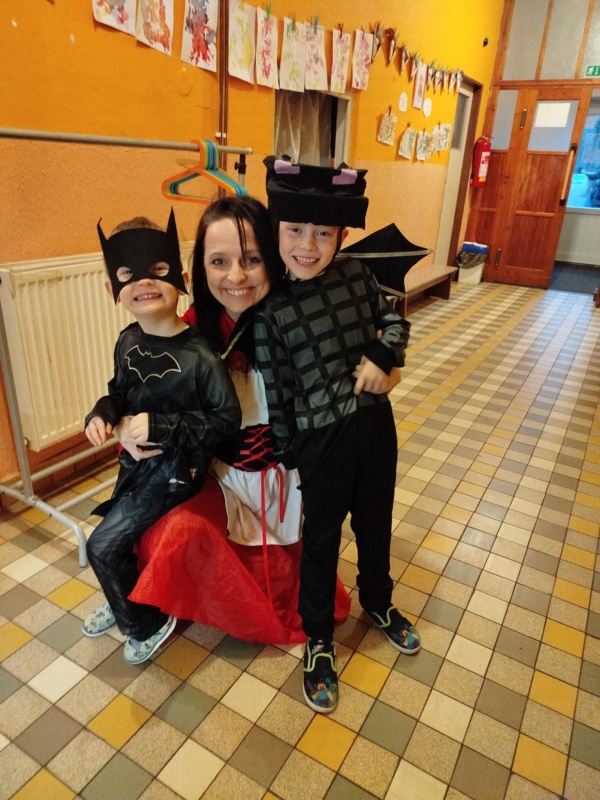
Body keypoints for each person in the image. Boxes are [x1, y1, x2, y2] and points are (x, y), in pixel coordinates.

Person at [127, 196, 352, 643]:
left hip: (289, 482)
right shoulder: (187, 332)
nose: (236, 277)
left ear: (272, 258)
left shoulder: (304, 319)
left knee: (294, 591)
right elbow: (142, 396)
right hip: (220, 480)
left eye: (251, 259)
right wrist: (123, 428)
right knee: (170, 530)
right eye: (219, 261)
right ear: (199, 269)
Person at [253, 156, 421, 714]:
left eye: (323, 232)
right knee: (322, 541)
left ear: (342, 235)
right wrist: (290, 454)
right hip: (318, 441)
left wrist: (382, 354)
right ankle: (319, 638)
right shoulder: (271, 314)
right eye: (295, 230)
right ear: (277, 230)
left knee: (376, 521)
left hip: (374, 424)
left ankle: (379, 600)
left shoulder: (356, 275)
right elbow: (279, 394)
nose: (308, 245)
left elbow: (395, 321)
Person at [82, 210, 241, 665]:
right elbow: (119, 392)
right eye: (128, 274)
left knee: (101, 545)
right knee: (118, 537)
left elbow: (226, 420)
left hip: (176, 471)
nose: (144, 282)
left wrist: (163, 426)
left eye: (157, 269)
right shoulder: (127, 341)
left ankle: (146, 622)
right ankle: (125, 599)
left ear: (181, 280)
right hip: (135, 464)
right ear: (112, 289)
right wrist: (102, 413)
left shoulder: (201, 357)